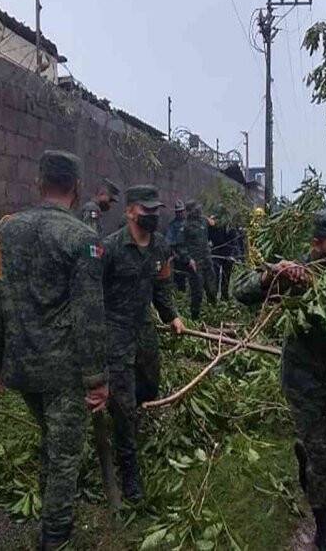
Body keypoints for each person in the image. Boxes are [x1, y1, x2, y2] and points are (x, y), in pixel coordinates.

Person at [0, 150, 109, 550]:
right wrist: (97, 380)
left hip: (21, 366)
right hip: (63, 372)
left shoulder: (8, 229)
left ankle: (50, 524)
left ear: (39, 184)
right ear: (77, 188)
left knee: (51, 441)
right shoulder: (82, 238)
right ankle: (55, 538)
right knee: (65, 456)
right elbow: (90, 316)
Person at [234, 209, 326, 551]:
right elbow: (240, 290)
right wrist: (270, 278)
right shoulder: (295, 272)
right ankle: (325, 531)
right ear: (317, 244)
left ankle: (304, 456)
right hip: (303, 378)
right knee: (323, 457)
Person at [101, 185, 185, 500]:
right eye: (145, 210)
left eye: (155, 210)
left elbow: (162, 287)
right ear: (130, 211)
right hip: (116, 331)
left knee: (149, 386)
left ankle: (128, 421)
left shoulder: (161, 246)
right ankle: (130, 471)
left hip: (144, 329)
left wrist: (172, 316)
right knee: (123, 403)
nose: (151, 215)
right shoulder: (110, 248)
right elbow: (93, 292)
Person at [183, 200, 218, 317]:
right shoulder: (186, 226)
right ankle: (195, 316)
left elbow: (214, 224)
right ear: (190, 211)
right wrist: (188, 259)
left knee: (212, 288)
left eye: (199, 207)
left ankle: (213, 313)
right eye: (196, 208)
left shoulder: (203, 221)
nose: (198, 209)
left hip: (207, 261)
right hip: (195, 263)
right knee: (197, 292)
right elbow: (180, 246)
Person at [207, 205, 243, 299]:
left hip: (227, 254)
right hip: (216, 253)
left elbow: (234, 242)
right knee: (214, 277)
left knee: (225, 278)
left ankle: (224, 297)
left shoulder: (229, 225)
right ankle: (213, 298)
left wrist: (232, 255)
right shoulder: (212, 225)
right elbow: (208, 237)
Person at [165, 199, 191, 293]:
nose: (180, 213)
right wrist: (174, 253)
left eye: (181, 211)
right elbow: (168, 242)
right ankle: (181, 296)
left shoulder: (189, 223)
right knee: (180, 280)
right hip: (179, 256)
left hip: (190, 255)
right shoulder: (172, 225)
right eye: (178, 212)